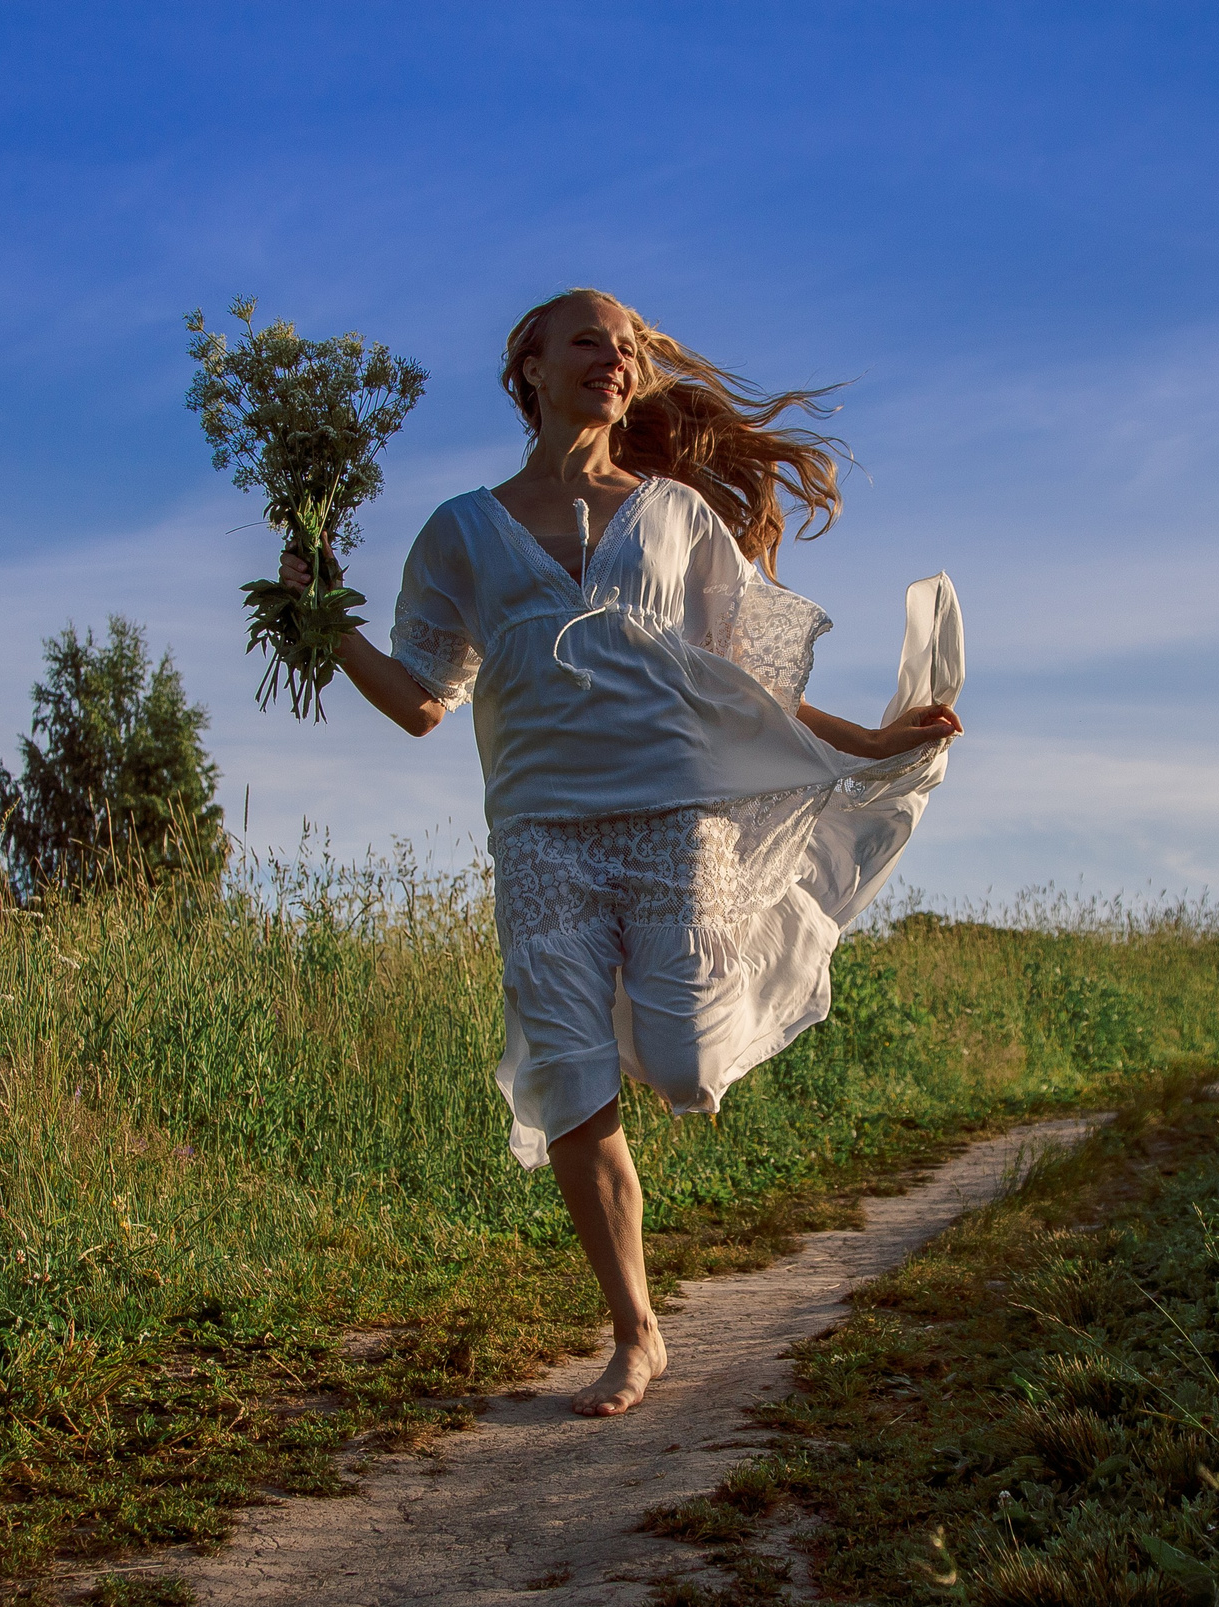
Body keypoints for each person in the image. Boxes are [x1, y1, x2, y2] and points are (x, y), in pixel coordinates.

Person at [279, 288, 963, 1415]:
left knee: (685, 1064)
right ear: (530, 367)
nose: (615, 358)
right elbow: (419, 702)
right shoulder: (460, 530)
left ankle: (637, 1033)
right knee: (567, 1072)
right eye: (590, 340)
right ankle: (636, 1330)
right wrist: (323, 622)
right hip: (541, 825)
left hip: (673, 814)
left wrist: (872, 741)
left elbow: (747, 682)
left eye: (630, 348)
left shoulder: (675, 514)